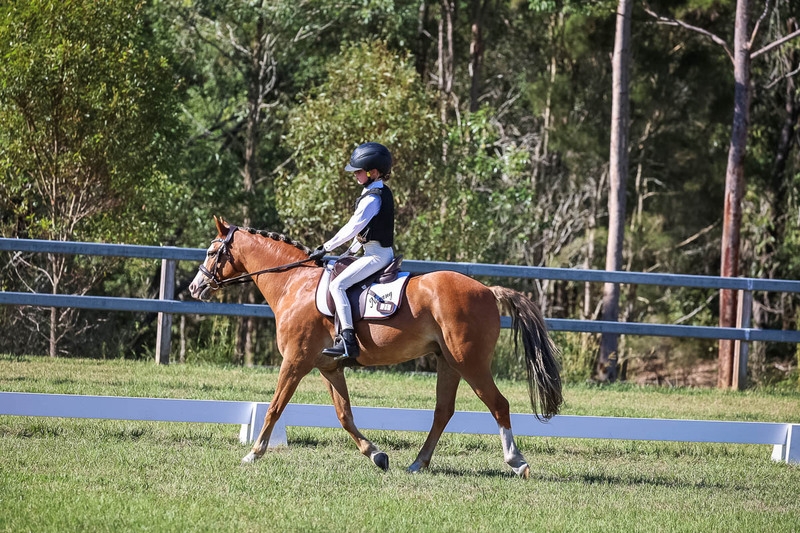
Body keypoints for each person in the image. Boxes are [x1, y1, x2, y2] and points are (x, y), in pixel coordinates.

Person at [309, 142, 395, 361]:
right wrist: (346, 253)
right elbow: (363, 234)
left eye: (359, 171)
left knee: (337, 285)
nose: (355, 175)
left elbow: (352, 227)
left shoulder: (372, 198)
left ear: (373, 172)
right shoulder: (376, 192)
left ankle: (347, 341)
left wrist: (325, 248)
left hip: (377, 256)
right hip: (372, 252)